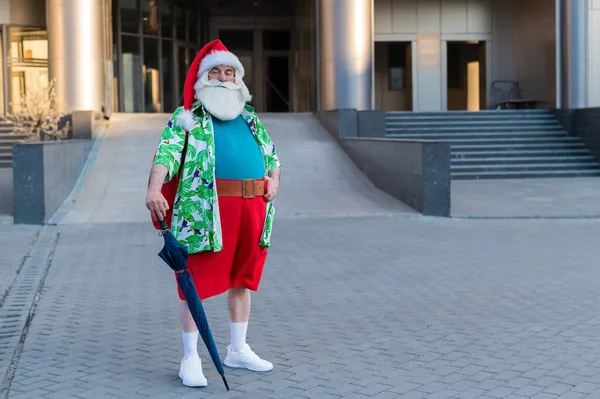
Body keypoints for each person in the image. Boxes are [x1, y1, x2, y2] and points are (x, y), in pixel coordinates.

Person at [145, 39, 281, 388]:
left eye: (229, 71)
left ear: (238, 79)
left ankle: (237, 349)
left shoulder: (250, 119)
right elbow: (167, 153)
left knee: (242, 279)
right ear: (204, 79)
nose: (223, 77)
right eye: (216, 72)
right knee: (194, 281)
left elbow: (272, 157)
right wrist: (154, 187)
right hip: (206, 213)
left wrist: (275, 180)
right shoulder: (189, 117)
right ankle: (190, 359)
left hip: (252, 210)